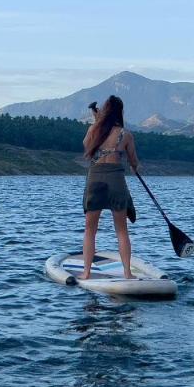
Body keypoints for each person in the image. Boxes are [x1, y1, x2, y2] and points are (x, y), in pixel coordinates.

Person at [81, 95, 140, 280]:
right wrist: (134, 166)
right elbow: (134, 162)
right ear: (120, 112)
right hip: (116, 179)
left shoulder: (93, 129)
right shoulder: (126, 134)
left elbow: (86, 146)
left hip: (96, 178)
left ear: (104, 111)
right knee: (121, 230)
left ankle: (86, 273)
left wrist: (97, 124)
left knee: (90, 229)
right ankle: (127, 273)